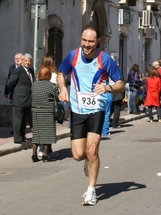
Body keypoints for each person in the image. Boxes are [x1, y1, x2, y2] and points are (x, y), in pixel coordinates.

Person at [57, 25, 124, 206]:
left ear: (97, 42)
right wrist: (63, 88)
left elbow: (120, 83)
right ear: (81, 40)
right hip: (77, 111)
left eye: (91, 42)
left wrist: (108, 88)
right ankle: (88, 160)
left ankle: (91, 191)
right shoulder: (73, 56)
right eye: (84, 41)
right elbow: (61, 73)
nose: (87, 45)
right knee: (78, 155)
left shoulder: (105, 60)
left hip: (96, 109)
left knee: (92, 150)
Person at [30, 67, 60, 162]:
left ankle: (34, 153)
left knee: (37, 133)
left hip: (35, 111)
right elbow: (57, 96)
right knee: (48, 133)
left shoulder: (34, 85)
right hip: (47, 111)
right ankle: (45, 154)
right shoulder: (51, 85)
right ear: (48, 75)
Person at [37, 54, 62, 158]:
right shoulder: (54, 74)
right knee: (49, 128)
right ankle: (45, 150)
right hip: (50, 104)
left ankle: (43, 149)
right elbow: (57, 90)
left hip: (39, 104)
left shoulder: (39, 73)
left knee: (41, 127)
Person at [6, 53, 35, 145]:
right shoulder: (18, 71)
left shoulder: (31, 70)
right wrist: (16, 92)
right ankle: (17, 138)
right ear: (22, 61)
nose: (28, 62)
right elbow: (9, 83)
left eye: (29, 61)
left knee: (24, 120)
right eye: (26, 61)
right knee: (18, 120)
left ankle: (22, 136)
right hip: (18, 99)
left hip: (28, 100)